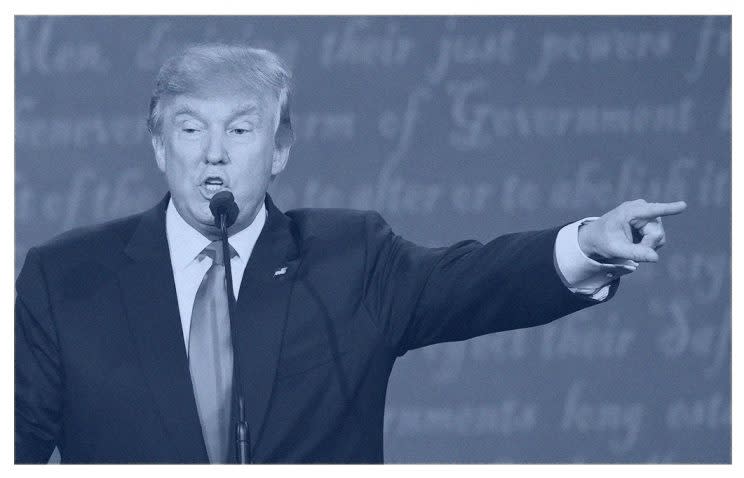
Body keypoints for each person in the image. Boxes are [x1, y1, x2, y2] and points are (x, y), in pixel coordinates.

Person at [14, 44, 687, 464]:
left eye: (240, 129)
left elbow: (475, 281)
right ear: (160, 146)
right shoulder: (66, 277)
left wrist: (588, 245)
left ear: (280, 150)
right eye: (190, 128)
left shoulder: (347, 258)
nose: (212, 152)